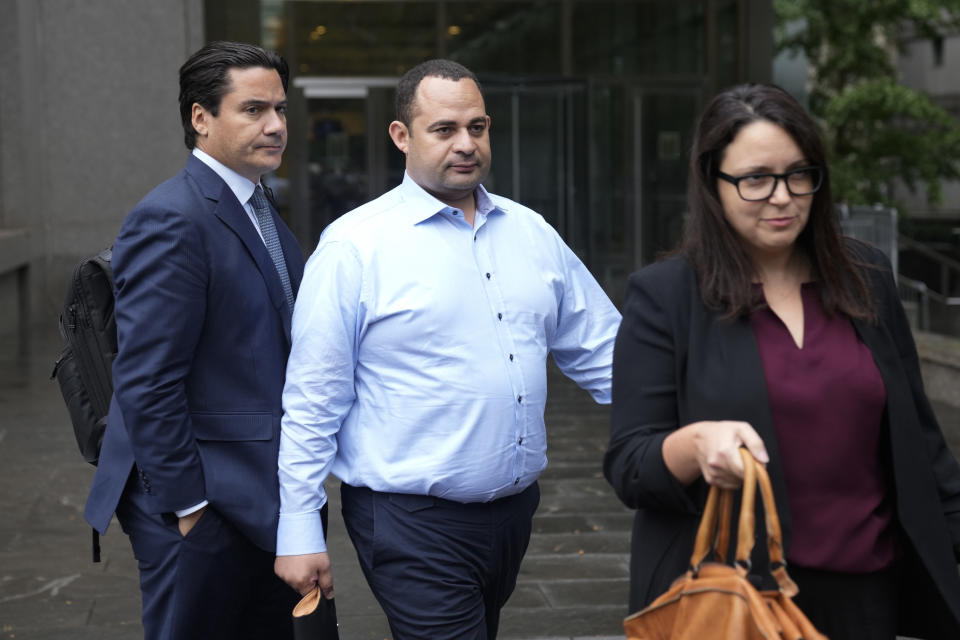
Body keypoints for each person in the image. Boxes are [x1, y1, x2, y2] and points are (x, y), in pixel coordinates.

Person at [274, 58, 621, 639]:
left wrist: (686, 420)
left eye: (477, 127)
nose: (466, 144)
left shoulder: (531, 232)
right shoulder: (355, 246)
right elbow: (314, 397)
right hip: (410, 522)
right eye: (444, 130)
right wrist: (298, 528)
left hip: (513, 514)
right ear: (401, 136)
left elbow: (603, 350)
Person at [604, 82, 960, 640]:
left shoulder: (865, 277)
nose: (782, 196)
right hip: (740, 602)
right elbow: (630, 463)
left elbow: (921, 443)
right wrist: (697, 445)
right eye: (755, 179)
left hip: (869, 595)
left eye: (799, 174)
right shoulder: (665, 295)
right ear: (712, 183)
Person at [83, 41, 307, 640]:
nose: (276, 125)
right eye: (254, 109)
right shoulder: (173, 218)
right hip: (195, 497)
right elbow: (148, 380)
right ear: (200, 118)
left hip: (253, 489)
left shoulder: (258, 206)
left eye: (281, 110)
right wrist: (190, 510)